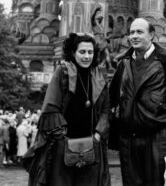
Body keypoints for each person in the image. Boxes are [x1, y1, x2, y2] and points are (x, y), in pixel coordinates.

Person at [109, 18, 166, 186]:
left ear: (152, 35)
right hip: (129, 139)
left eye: (139, 32)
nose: (134, 36)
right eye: (131, 32)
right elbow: (111, 98)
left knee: (157, 182)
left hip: (158, 138)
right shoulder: (123, 63)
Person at [23, 33, 110, 186]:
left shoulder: (99, 75)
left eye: (90, 52)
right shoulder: (63, 72)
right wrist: (63, 139)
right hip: (62, 148)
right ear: (73, 52)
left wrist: (97, 135)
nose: (87, 56)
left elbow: (106, 110)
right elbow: (51, 108)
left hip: (92, 146)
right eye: (82, 52)